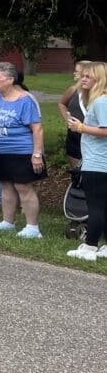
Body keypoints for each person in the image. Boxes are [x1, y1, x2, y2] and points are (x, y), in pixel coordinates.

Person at [0, 62, 45, 238]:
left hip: (21, 150)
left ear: (10, 79)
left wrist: (37, 154)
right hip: (0, 150)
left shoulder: (25, 100)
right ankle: (7, 222)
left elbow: (37, 129)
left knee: (23, 186)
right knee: (6, 185)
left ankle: (32, 227)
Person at [67, 61, 107, 260]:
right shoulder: (100, 101)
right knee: (103, 208)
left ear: (99, 79)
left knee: (96, 207)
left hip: (98, 163)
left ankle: (90, 247)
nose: (83, 79)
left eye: (88, 76)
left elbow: (105, 130)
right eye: (82, 76)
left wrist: (81, 128)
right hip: (98, 162)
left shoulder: (101, 102)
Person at [59, 60, 92, 172]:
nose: (74, 73)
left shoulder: (98, 94)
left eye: (77, 71)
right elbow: (62, 103)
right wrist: (67, 119)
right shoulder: (73, 89)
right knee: (77, 171)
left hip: (92, 134)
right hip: (75, 135)